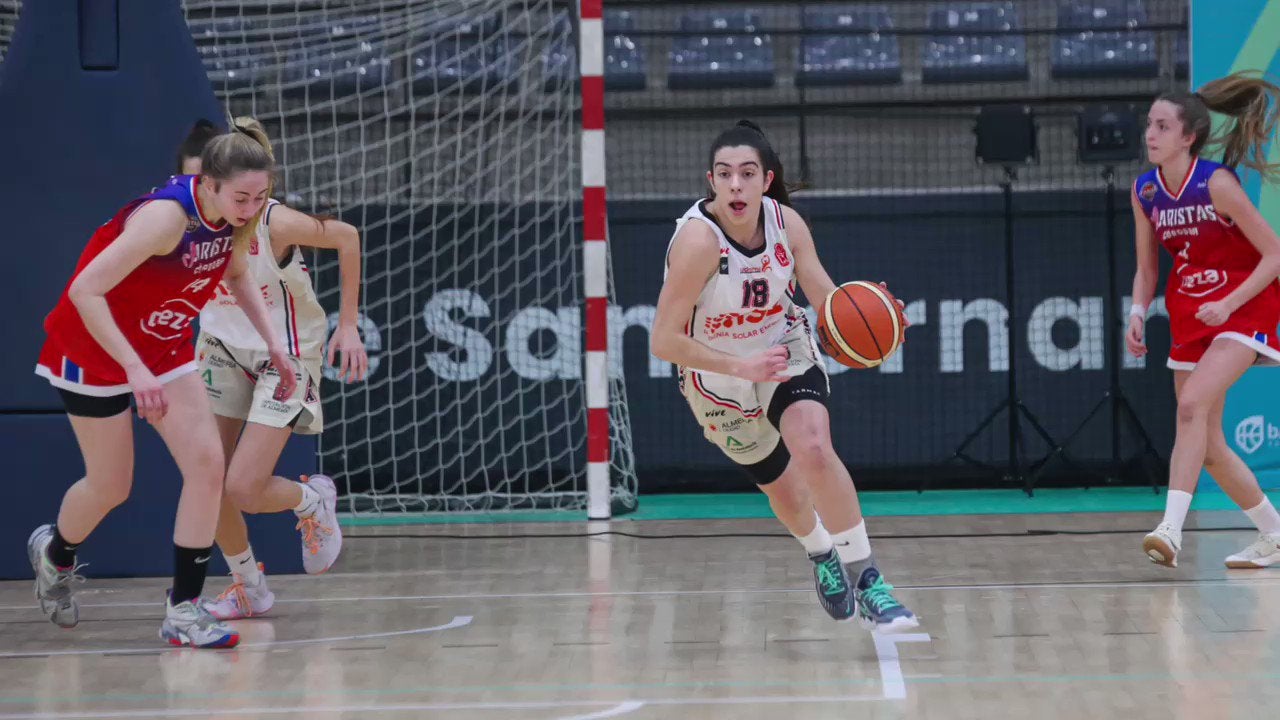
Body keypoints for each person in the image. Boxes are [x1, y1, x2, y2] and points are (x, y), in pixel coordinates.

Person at [28, 119, 295, 648]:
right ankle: (55, 554)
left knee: (206, 465)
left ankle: (184, 611)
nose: (252, 208)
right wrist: (134, 370)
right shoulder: (166, 221)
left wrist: (274, 344)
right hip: (92, 348)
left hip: (163, 346)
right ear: (209, 183)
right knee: (112, 486)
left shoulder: (234, 220)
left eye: (261, 197)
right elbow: (85, 290)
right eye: (242, 196)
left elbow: (237, 274)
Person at [650, 120, 918, 633]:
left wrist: (873, 313)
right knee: (785, 492)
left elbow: (825, 299)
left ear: (766, 180)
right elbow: (662, 341)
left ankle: (868, 580)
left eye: (747, 173)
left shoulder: (787, 226)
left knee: (814, 448)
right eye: (724, 174)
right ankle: (821, 555)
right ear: (711, 181)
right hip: (715, 376)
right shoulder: (697, 243)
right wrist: (737, 365)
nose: (735, 185)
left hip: (781, 345)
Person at [176, 118, 366, 619]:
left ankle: (310, 501)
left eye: (249, 196)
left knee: (244, 487)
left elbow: (346, 237)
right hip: (222, 347)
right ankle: (248, 586)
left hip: (287, 352)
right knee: (205, 478)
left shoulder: (271, 222)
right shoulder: (178, 218)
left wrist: (348, 325)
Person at [1128, 71, 1280, 569]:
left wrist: (1231, 303)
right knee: (1210, 445)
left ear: (1188, 137)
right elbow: (1148, 267)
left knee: (1190, 405)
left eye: (1163, 126)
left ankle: (1170, 530)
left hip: (1246, 306)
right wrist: (1136, 311)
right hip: (1191, 313)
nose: (1151, 134)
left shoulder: (1216, 183)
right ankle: (1274, 533)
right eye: (1149, 124)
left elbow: (1274, 254)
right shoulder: (1145, 191)